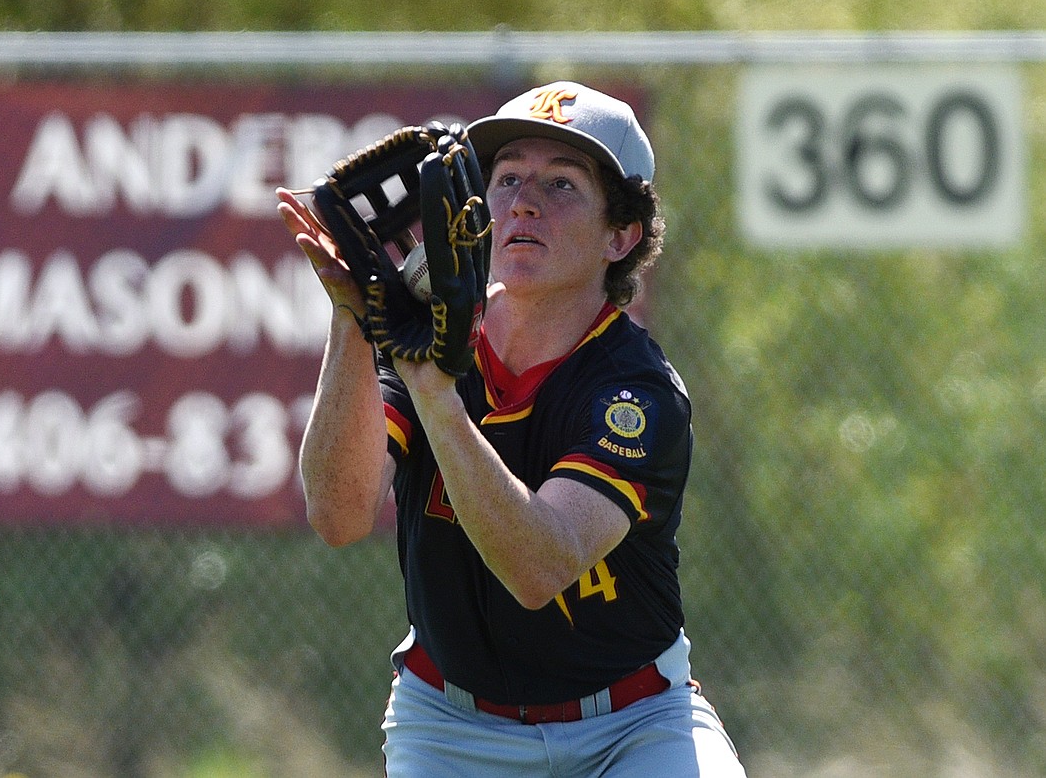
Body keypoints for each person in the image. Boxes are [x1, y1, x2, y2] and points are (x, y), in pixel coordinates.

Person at [277, 81, 747, 777]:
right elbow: (339, 514)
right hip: (451, 727)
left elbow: (538, 569)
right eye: (506, 178)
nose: (524, 201)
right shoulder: (426, 332)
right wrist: (356, 318)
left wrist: (433, 390)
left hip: (632, 723)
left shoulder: (633, 388)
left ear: (621, 236)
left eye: (562, 184)